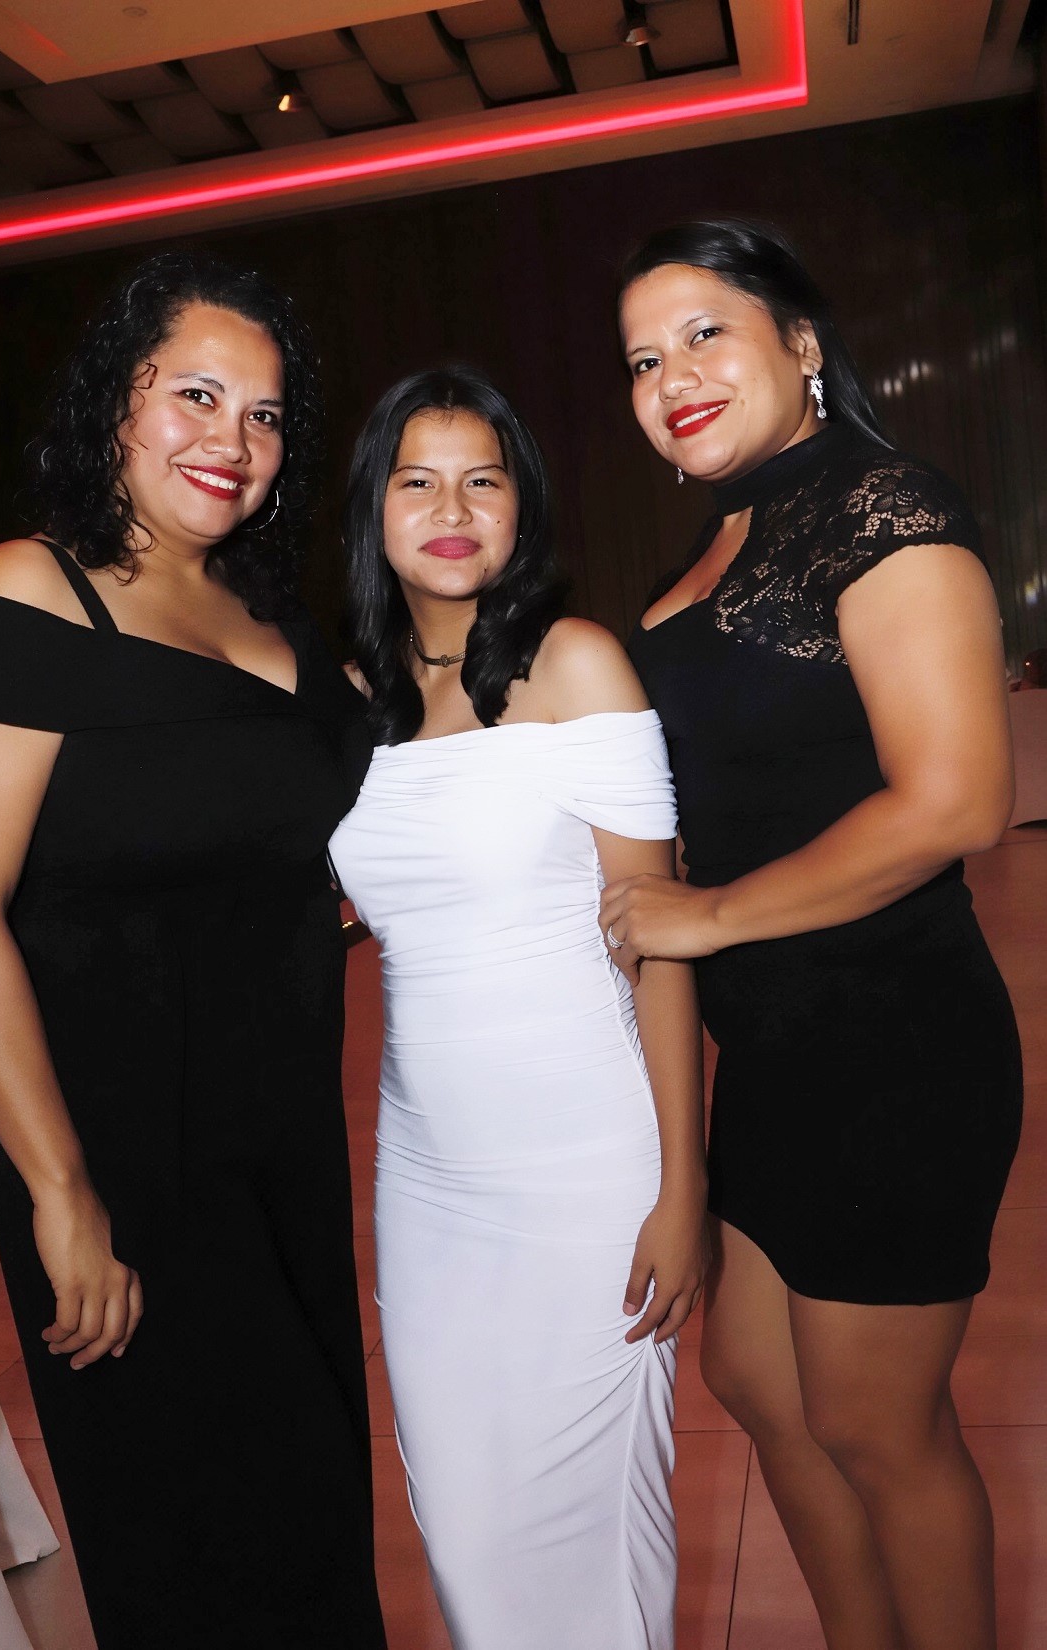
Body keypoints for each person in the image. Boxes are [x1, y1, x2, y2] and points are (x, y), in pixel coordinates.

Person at [0, 251, 387, 1650]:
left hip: (280, 1151)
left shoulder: (267, 610)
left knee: (310, 1519)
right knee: (193, 1548)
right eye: (195, 395)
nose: (231, 438)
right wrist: (60, 1192)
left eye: (265, 413)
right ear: (116, 402)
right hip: (117, 1162)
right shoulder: (30, 590)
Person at [607, 218, 1022, 1650]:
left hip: (890, 1037)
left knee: (874, 1422)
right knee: (759, 1384)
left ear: (798, 342)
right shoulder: (725, 530)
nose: (671, 377)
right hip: (775, 1052)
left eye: (703, 335)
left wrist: (705, 914)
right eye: (641, 361)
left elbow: (957, 798)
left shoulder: (880, 504)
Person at [327, 366, 707, 1650]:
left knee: (584, 1541)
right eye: (416, 481)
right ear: (373, 509)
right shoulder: (351, 700)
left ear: (521, 508)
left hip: (585, 1173)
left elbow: (658, 942)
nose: (451, 509)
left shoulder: (576, 664)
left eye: (481, 480)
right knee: (466, 1536)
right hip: (427, 1181)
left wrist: (682, 1186)